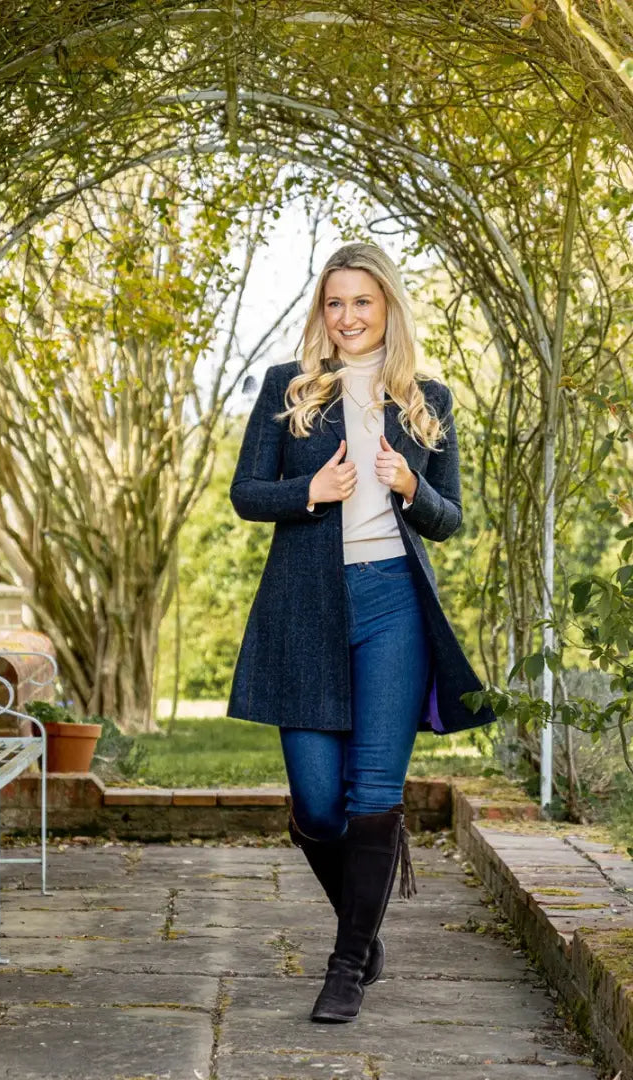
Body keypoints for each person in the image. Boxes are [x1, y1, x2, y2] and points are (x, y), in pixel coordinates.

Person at [228, 242, 494, 1023]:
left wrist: (411, 486)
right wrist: (308, 489)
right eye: (334, 303)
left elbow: (448, 520)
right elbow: (246, 493)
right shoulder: (288, 389)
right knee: (316, 804)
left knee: (373, 792)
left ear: (388, 309)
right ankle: (363, 923)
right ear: (323, 311)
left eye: (362, 303)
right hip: (305, 605)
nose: (346, 318)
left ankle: (347, 964)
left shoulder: (428, 399)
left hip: (392, 607)